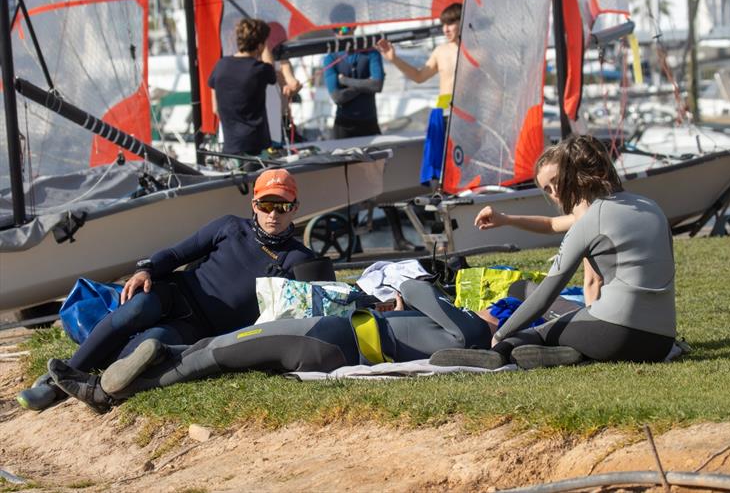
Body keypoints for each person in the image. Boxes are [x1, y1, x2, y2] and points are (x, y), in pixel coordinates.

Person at [18, 169, 316, 411]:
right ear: (253, 204)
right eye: (265, 204)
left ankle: (87, 380)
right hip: (176, 294)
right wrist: (145, 269)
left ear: (296, 208)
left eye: (282, 206)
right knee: (135, 309)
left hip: (200, 328)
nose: (273, 214)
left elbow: (310, 305)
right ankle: (56, 385)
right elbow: (175, 255)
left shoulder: (299, 259)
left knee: (147, 347)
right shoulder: (230, 227)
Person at [46, 279, 496, 413]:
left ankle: (102, 393)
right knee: (213, 350)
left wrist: (444, 303)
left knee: (216, 354)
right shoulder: (463, 333)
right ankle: (161, 361)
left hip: (331, 339)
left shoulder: (474, 332)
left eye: (501, 313)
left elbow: (416, 286)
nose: (493, 311)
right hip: (340, 340)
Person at [431, 135, 677, 369]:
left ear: (571, 178)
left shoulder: (592, 219)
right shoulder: (652, 207)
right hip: (662, 341)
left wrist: (503, 335)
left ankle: (496, 355)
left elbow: (545, 295)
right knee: (573, 324)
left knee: (536, 332)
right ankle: (569, 352)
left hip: (617, 334)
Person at [472, 146, 603, 305]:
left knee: (521, 293)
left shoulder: (588, 216)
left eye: (556, 180)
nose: (554, 191)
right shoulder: (596, 209)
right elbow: (551, 224)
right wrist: (505, 219)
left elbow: (594, 282)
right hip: (621, 305)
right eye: (547, 189)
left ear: (571, 172)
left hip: (609, 311)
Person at [376, 2, 461, 189]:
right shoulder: (440, 51)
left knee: (463, 163)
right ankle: (444, 194)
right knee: (440, 166)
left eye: (450, 23)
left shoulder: (477, 51)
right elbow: (419, 76)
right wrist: (394, 59)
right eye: (443, 25)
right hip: (443, 113)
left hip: (467, 114)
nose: (445, 29)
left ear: (462, 22)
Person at [209, 18, 278, 164]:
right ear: (260, 45)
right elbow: (271, 71)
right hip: (256, 148)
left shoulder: (220, 66)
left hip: (231, 148)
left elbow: (215, 108)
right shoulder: (259, 69)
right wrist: (265, 47)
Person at [324, 4, 385, 139]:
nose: (340, 32)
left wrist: (345, 81)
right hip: (343, 126)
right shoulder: (330, 57)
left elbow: (377, 86)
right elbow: (337, 97)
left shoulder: (371, 53)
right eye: (336, 28)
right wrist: (365, 84)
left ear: (354, 26)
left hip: (370, 124)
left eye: (345, 27)